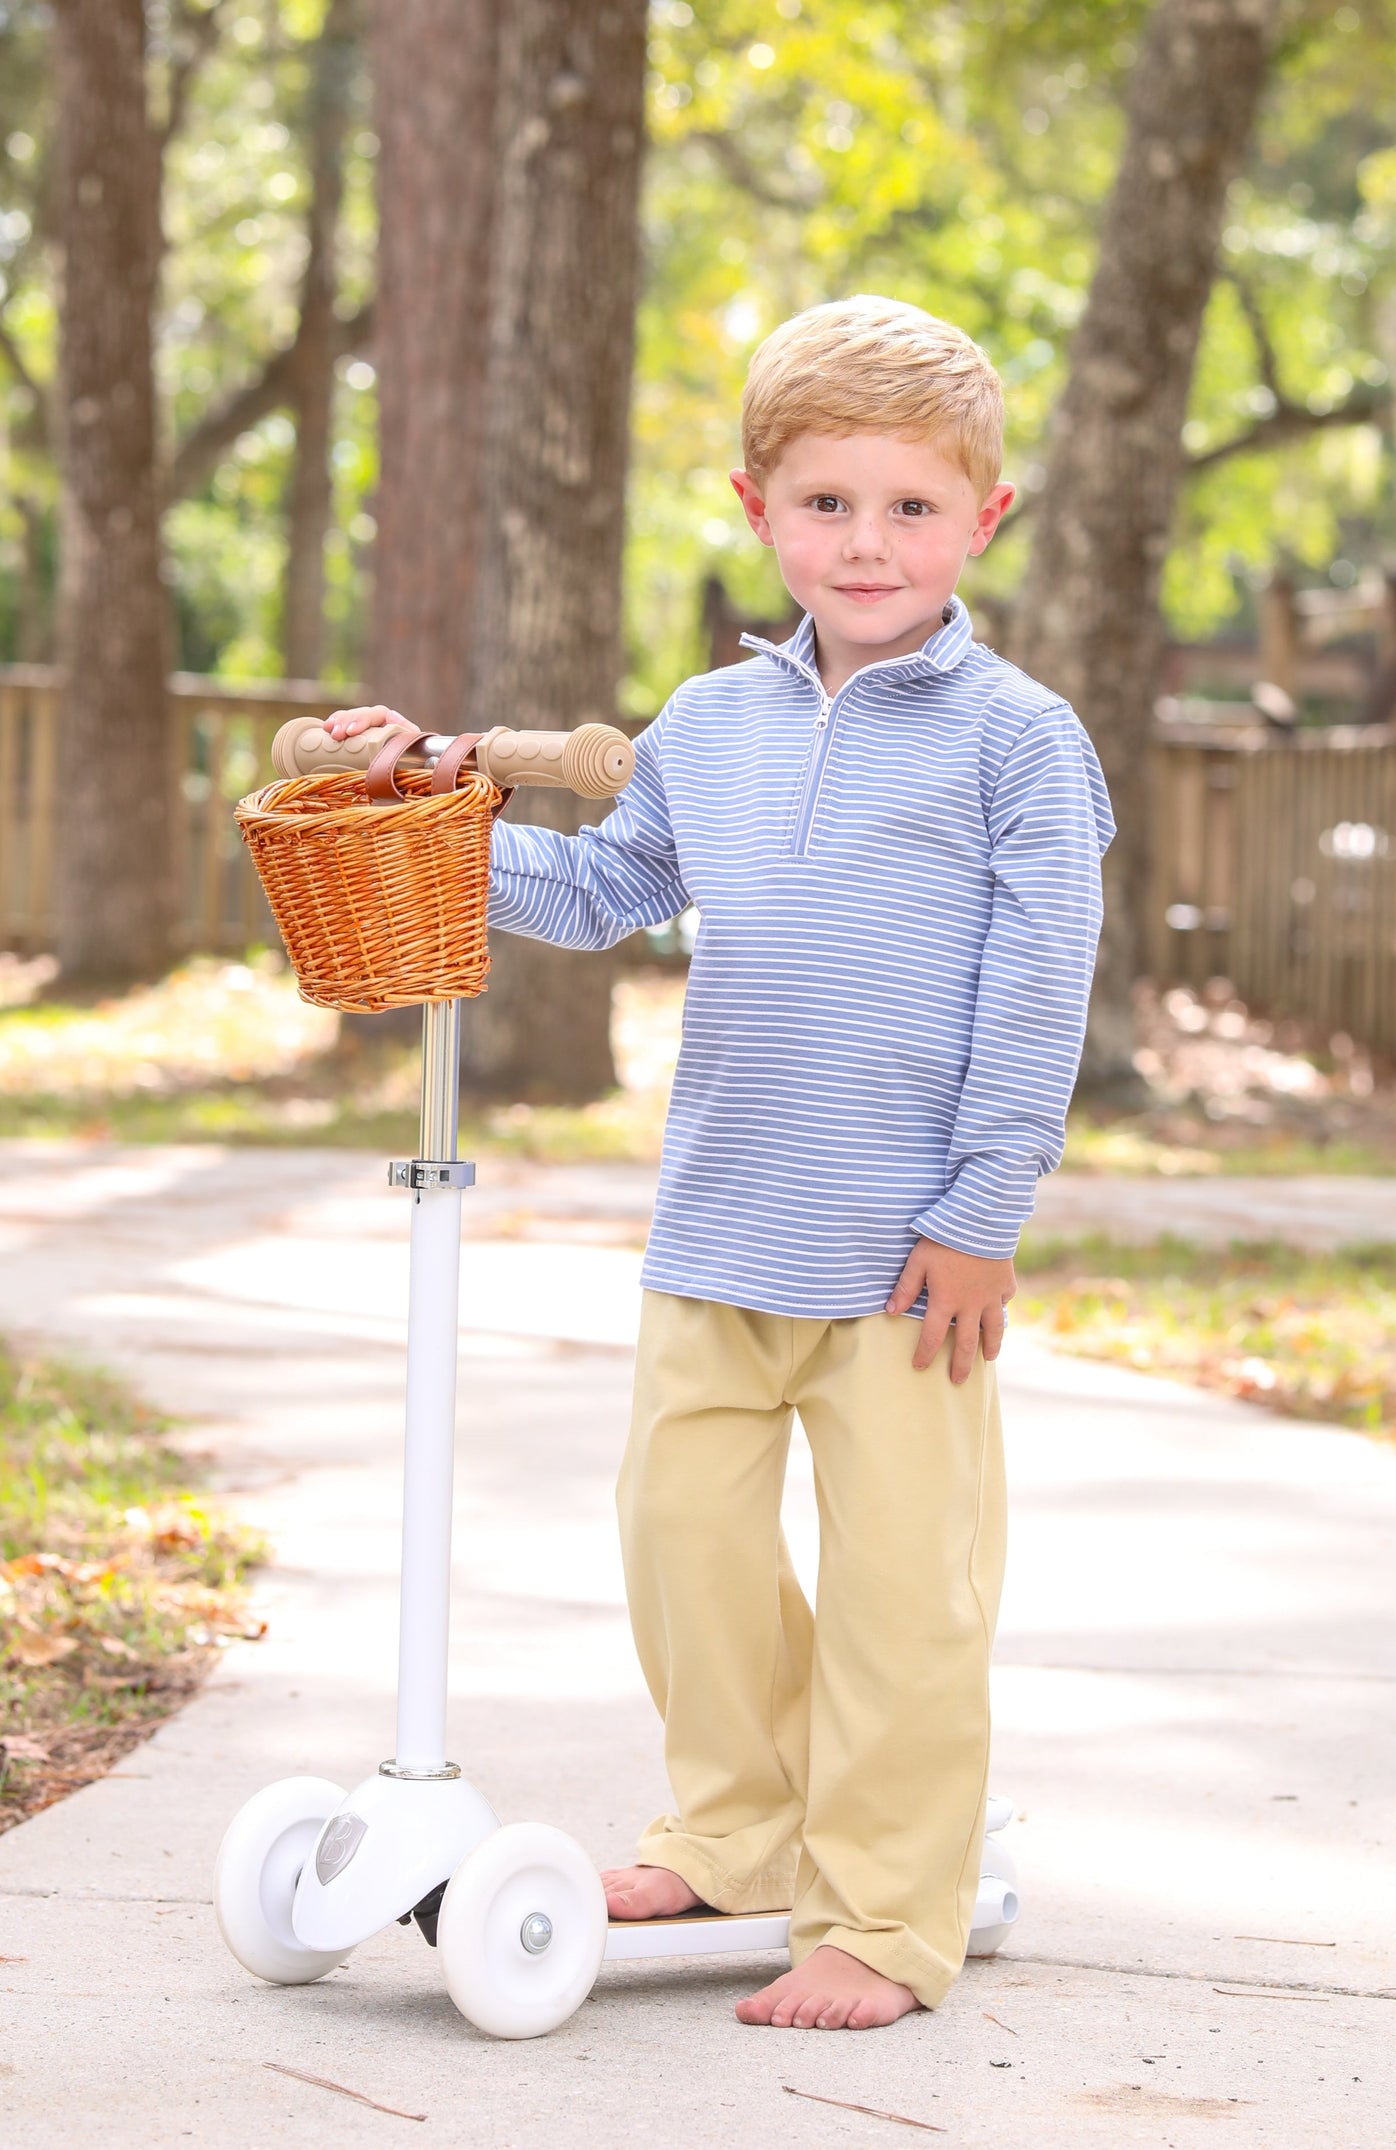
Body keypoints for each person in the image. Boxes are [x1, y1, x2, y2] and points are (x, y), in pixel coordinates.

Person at [325, 294, 1114, 2032]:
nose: (866, 541)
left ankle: (886, 1912)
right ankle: (739, 1832)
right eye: (827, 502)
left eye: (911, 506)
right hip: (719, 1225)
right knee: (681, 1542)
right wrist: (433, 829)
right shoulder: (709, 721)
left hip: (908, 1259)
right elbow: (607, 890)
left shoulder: (1017, 740)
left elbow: (1039, 988)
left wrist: (982, 1216)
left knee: (904, 1596)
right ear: (756, 508)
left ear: (983, 518)